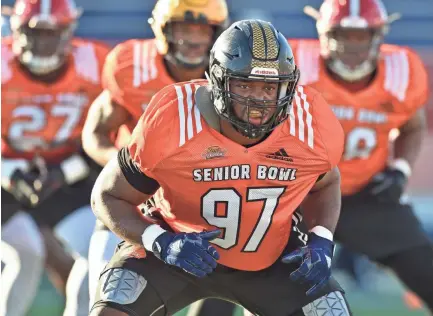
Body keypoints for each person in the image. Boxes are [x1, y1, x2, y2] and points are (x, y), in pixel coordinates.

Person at [90, 19, 352, 316]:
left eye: (270, 87)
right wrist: (159, 241)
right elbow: (108, 196)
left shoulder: (310, 123)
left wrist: (321, 238)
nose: (259, 100)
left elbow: (327, 183)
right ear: (218, 81)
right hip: (176, 249)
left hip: (273, 259)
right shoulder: (174, 120)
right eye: (244, 84)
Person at [81, 1, 231, 314]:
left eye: (201, 31)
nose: (192, 40)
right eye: (182, 29)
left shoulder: (232, 76)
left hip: (203, 203)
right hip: (136, 202)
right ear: (163, 30)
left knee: (220, 293)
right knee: (105, 299)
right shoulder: (133, 67)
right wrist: (128, 171)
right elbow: (95, 133)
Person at [289, 0, 433, 311]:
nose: (351, 48)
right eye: (342, 36)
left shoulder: (401, 71)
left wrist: (400, 170)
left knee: (426, 271)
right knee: (262, 287)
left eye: (361, 37)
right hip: (300, 198)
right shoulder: (295, 66)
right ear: (324, 34)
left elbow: (413, 125)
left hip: (365, 195)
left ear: (377, 37)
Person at [1, 0, 109, 315]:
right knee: (27, 251)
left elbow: (108, 135)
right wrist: (8, 173)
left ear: (68, 32)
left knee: (97, 252)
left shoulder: (95, 63)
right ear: (17, 30)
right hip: (4, 172)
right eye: (35, 33)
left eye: (51, 33)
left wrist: (64, 172)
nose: (43, 43)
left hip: (67, 174)